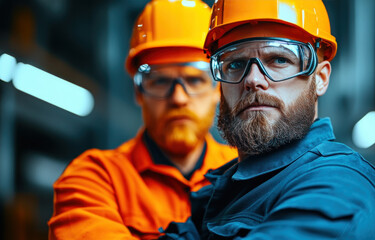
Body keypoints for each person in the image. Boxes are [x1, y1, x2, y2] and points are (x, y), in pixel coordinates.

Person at [159, 0, 375, 239]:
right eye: (235, 63)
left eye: (279, 59)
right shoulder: (223, 192)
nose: (252, 79)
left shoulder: (341, 186)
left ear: (321, 78)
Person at [48, 0, 237, 239]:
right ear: (138, 91)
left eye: (194, 80)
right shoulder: (92, 179)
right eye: (159, 81)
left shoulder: (246, 175)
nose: (178, 98)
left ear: (216, 89)